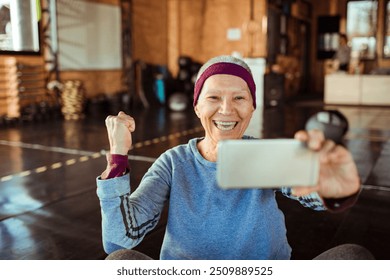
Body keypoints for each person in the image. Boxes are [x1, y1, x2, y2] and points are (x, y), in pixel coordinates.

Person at [96, 55, 373, 260]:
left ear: (253, 106)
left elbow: (314, 194)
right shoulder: (173, 163)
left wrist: (329, 183)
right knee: (118, 263)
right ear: (196, 106)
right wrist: (118, 158)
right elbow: (120, 238)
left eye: (239, 98)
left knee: (353, 258)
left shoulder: (262, 155)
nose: (226, 110)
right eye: (214, 97)